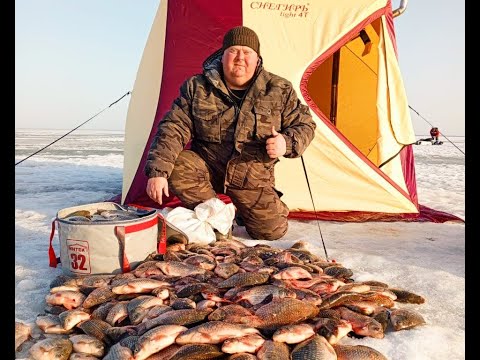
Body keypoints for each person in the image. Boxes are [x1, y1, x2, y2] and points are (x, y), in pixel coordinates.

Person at [144, 26, 316, 240]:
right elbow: (173, 127)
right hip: (207, 169)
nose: (240, 58)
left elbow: (305, 125)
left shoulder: (279, 89)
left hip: (251, 175)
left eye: (247, 52)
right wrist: (158, 172)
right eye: (233, 51)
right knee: (178, 164)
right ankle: (217, 214)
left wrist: (286, 143)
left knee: (271, 232)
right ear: (222, 55)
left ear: (257, 58)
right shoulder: (196, 87)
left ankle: (259, 208)